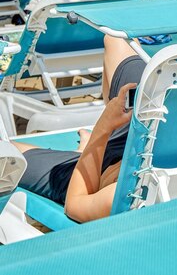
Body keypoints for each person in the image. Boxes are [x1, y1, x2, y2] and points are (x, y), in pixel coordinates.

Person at [13, 36, 146, 222]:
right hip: (147, 135)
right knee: (117, 38)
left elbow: (74, 205)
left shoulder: (129, 194)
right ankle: (96, 144)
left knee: (8, 156)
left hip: (99, 176)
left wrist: (104, 127)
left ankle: (89, 151)